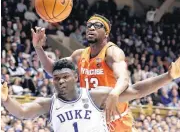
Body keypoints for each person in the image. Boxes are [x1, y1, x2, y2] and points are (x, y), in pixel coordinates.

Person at [31, 14, 176, 131]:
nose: (91, 28)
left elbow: (124, 79)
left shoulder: (112, 52)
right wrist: (38, 48)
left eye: (97, 25)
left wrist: (115, 93)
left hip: (116, 122)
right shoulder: (79, 55)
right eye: (89, 25)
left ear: (106, 32)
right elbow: (54, 69)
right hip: (91, 122)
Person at [2, 58, 180, 132]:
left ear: (75, 77)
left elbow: (136, 91)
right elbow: (22, 112)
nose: (61, 81)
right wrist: (6, 99)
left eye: (65, 77)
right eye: (57, 78)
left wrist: (167, 76)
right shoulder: (49, 104)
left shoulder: (95, 96)